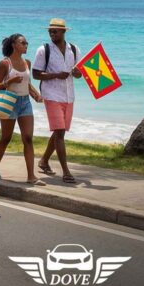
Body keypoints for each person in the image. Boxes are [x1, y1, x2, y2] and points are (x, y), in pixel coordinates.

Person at [34, 18, 82, 184]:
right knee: (60, 132)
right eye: (50, 31)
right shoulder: (43, 50)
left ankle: (43, 161)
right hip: (52, 95)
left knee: (58, 131)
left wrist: (76, 73)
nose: (52, 33)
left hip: (69, 96)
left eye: (55, 31)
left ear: (63, 32)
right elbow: (36, 74)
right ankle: (66, 172)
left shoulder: (74, 50)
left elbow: (79, 73)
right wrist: (56, 75)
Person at [0, 33, 45, 186]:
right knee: (5, 138)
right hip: (9, 102)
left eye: (26, 43)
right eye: (23, 42)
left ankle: (31, 176)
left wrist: (36, 95)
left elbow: (27, 84)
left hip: (25, 103)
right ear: (14, 45)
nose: (26, 45)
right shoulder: (5, 63)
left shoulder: (27, 62)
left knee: (28, 138)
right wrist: (10, 81)